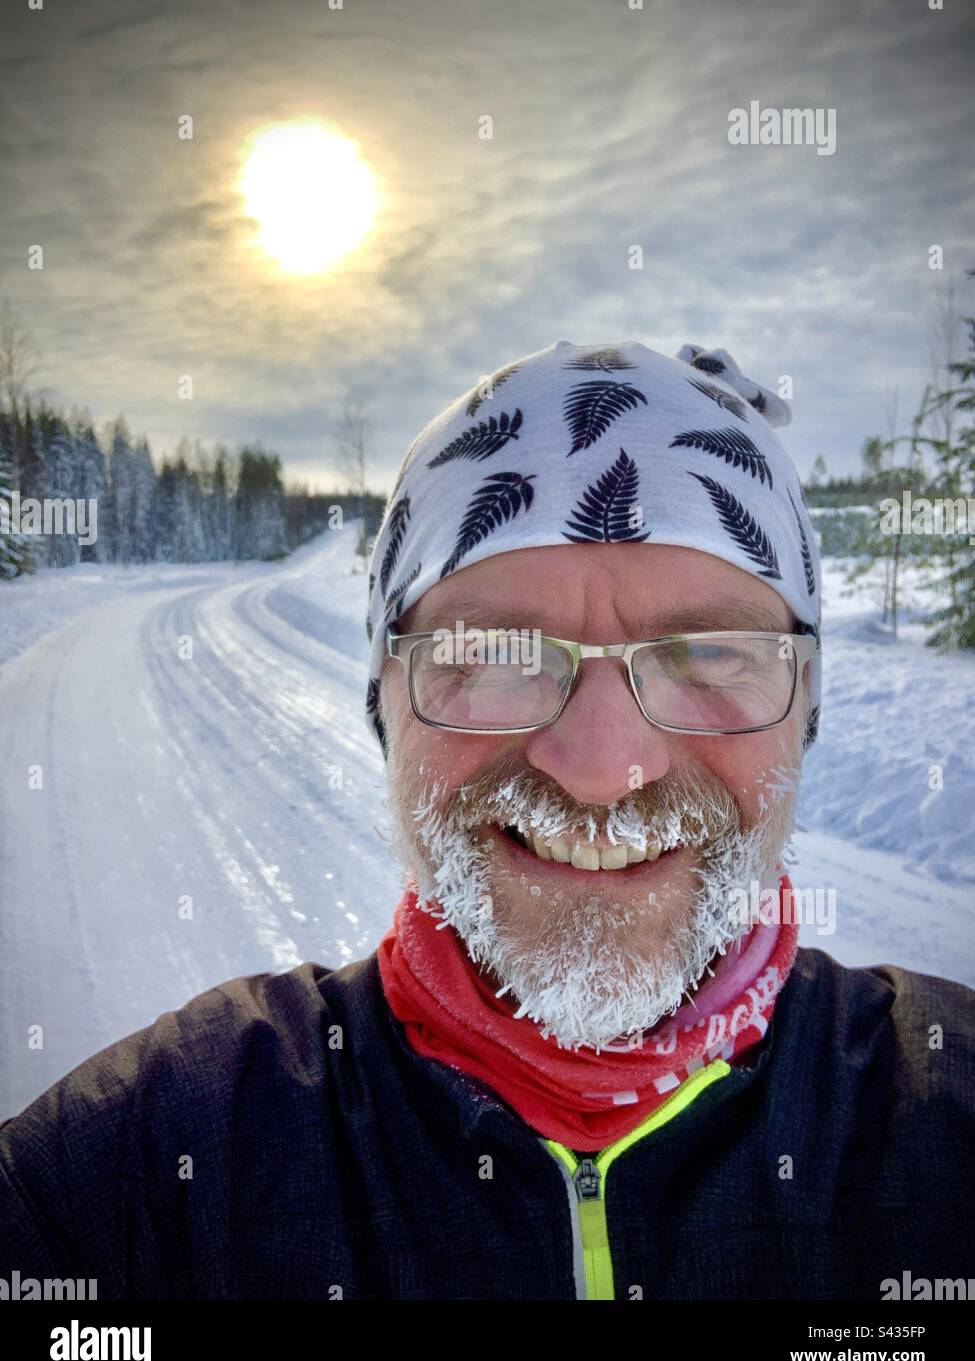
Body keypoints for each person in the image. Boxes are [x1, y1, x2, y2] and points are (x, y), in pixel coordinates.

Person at [1, 339, 972, 1300]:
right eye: (493, 649)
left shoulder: (946, 1119)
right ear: (386, 704)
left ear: (807, 708)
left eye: (710, 650)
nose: (602, 770)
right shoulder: (152, 1164)